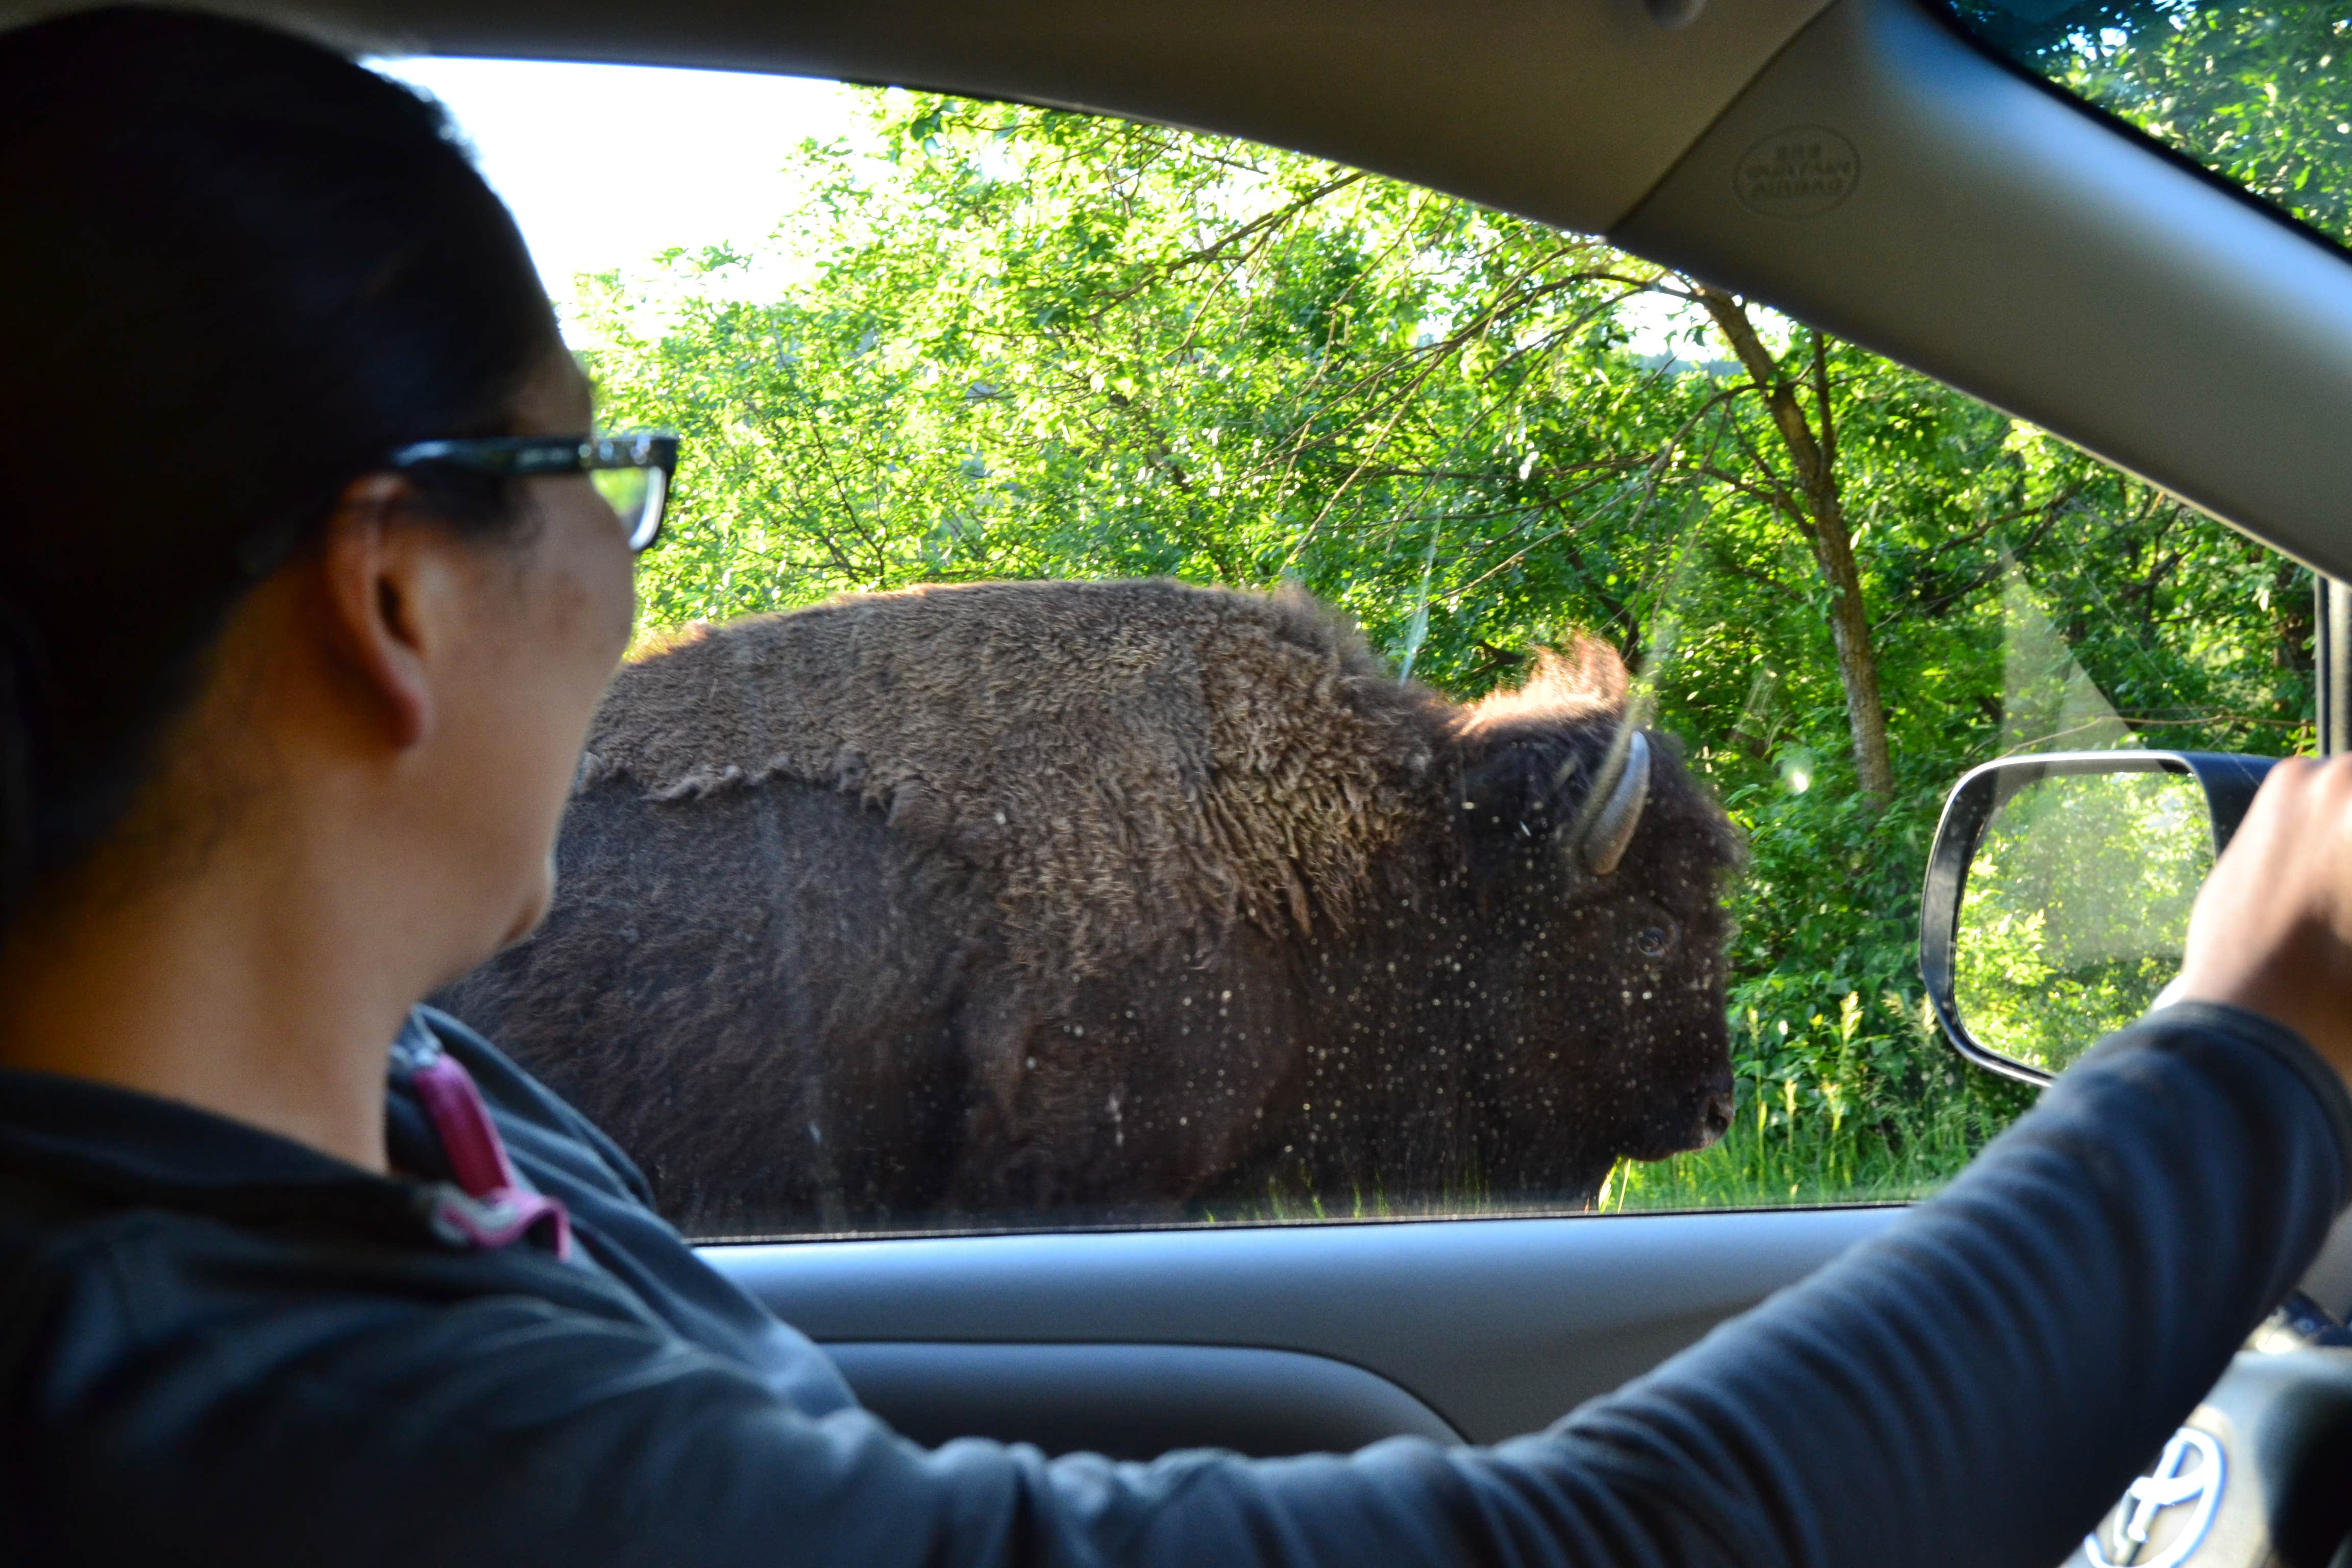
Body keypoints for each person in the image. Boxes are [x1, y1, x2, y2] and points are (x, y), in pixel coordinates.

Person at [1, 9, 2347, 1564]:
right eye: (587, 469)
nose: (632, 573)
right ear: (395, 596)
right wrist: (2261, 1044)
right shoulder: (322, 1442)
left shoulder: (432, 1130)